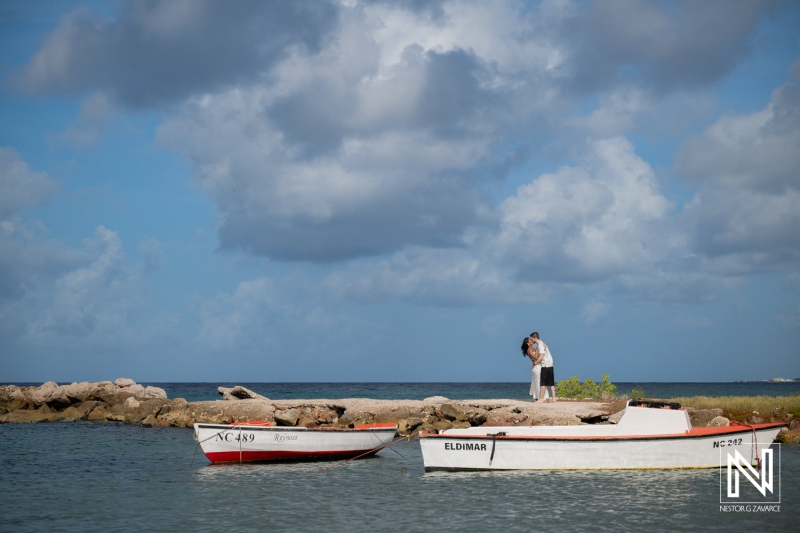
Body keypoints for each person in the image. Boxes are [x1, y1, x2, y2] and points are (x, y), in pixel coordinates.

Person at [531, 332, 556, 403]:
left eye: (532, 339)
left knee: (543, 383)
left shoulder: (540, 345)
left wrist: (535, 363)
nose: (531, 340)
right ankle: (554, 398)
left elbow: (541, 357)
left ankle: (541, 399)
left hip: (545, 365)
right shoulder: (542, 343)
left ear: (535, 338)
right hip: (550, 364)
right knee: (551, 383)